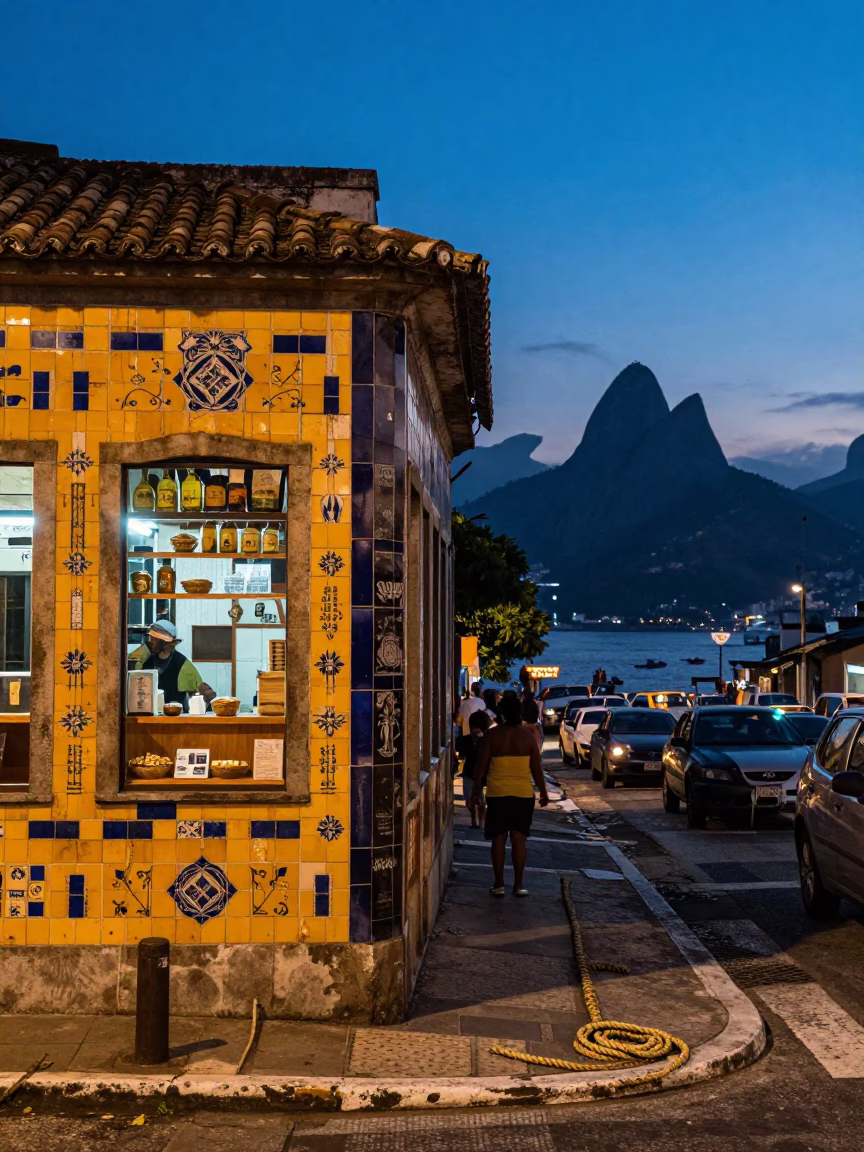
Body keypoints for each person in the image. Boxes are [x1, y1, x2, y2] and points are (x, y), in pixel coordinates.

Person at [471, 693, 549, 897]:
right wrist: (543, 791)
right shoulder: (528, 736)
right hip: (523, 794)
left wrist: (476, 791)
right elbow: (536, 769)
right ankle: (519, 885)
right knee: (519, 840)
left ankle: (498, 884)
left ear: (501, 712)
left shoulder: (492, 736)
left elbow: (481, 767)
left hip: (498, 794)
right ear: (519, 712)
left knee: (498, 838)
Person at [129, 620, 216, 711]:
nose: (150, 642)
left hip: (174, 717)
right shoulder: (145, 658)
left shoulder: (182, 664)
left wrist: (207, 694)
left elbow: (201, 692)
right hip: (148, 716)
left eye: (154, 639)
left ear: (163, 641)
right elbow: (129, 667)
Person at [461, 711, 491, 828]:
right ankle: (475, 819)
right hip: (471, 772)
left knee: (479, 799)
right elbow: (462, 754)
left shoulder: (487, 739)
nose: (475, 730)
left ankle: (479, 821)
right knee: (470, 799)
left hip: (479, 773)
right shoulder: (467, 740)